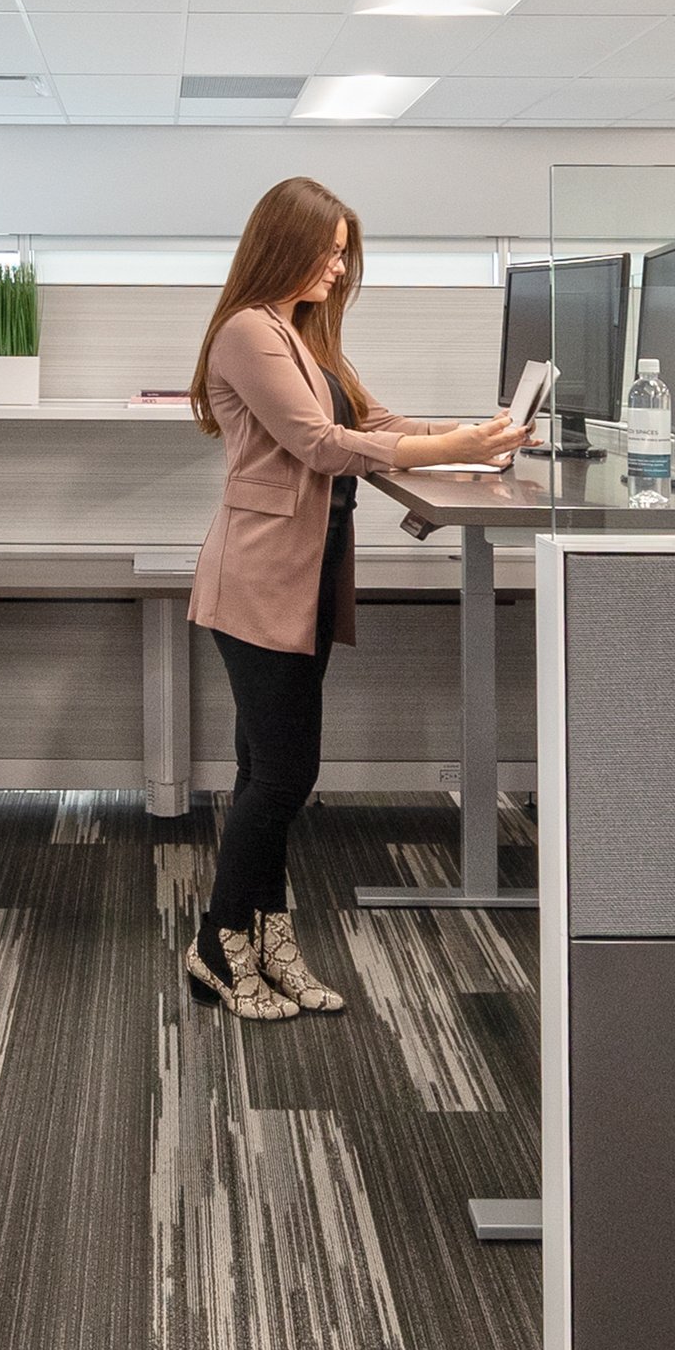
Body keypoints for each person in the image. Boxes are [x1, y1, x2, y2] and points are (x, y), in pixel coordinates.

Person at [181, 177, 530, 1020]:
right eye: (329, 253)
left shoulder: (305, 336)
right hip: (260, 579)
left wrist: (470, 438)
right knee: (285, 779)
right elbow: (320, 444)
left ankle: (270, 942)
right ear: (285, 246)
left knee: (264, 772)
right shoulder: (247, 332)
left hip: (301, 576)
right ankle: (216, 948)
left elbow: (373, 421)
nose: (339, 269)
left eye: (344, 255)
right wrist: (452, 446)